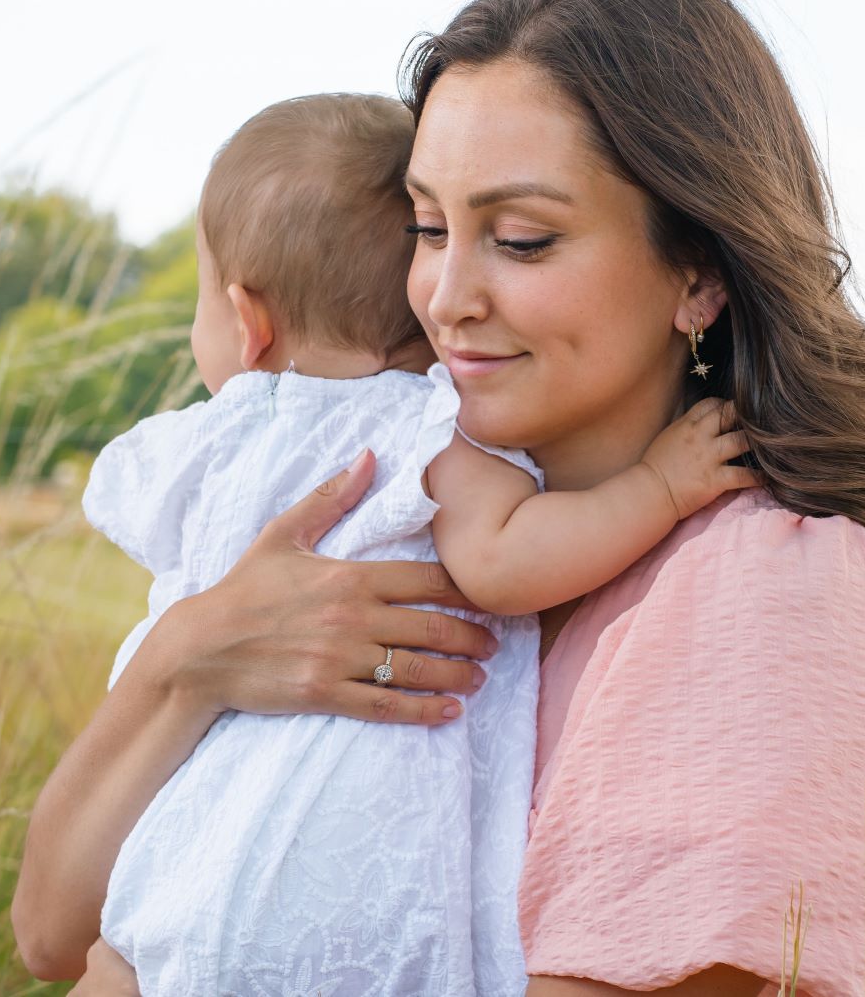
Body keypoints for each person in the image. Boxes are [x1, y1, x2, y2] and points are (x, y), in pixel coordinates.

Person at [13, 0, 865, 996]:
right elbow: (55, 938)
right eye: (425, 227)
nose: (444, 296)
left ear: (699, 271)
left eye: (520, 239)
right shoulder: (367, 538)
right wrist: (186, 659)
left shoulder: (773, 590)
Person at [51, 89, 752, 996]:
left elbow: (147, 550)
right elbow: (504, 564)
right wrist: (659, 488)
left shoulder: (188, 446)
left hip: (177, 875)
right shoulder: (425, 435)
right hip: (352, 882)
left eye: (524, 239)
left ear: (246, 320)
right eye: (430, 230)